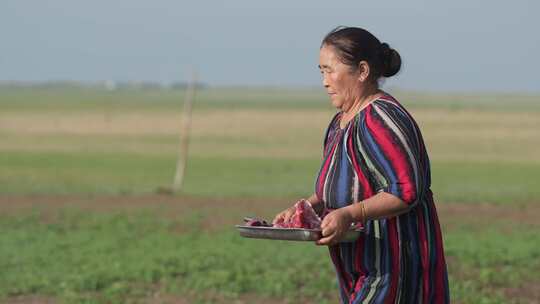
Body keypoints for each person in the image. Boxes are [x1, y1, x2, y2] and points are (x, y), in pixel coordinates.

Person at [273, 27, 449, 303]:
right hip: (360, 264)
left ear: (363, 71)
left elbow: (405, 190)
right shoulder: (340, 122)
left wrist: (348, 214)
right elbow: (340, 184)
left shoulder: (380, 118)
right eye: (321, 71)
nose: (324, 82)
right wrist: (306, 207)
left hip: (392, 263)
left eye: (330, 70)